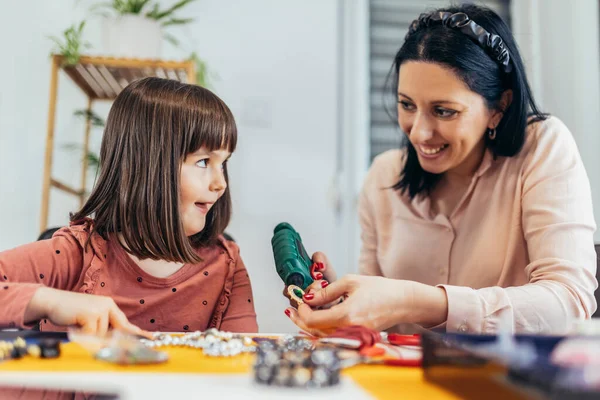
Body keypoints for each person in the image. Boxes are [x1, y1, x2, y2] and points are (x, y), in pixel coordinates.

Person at [286, 4, 598, 335]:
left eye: (444, 111)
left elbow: (569, 301)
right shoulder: (383, 176)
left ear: (499, 108)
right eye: (407, 105)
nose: (418, 133)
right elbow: (379, 331)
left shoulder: (542, 147)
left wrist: (413, 300)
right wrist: (340, 309)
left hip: (503, 384)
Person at [0, 77, 258, 336]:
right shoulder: (76, 254)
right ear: (147, 166)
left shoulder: (227, 266)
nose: (220, 183)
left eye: (223, 163)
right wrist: (50, 301)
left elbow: (244, 369)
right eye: (203, 162)